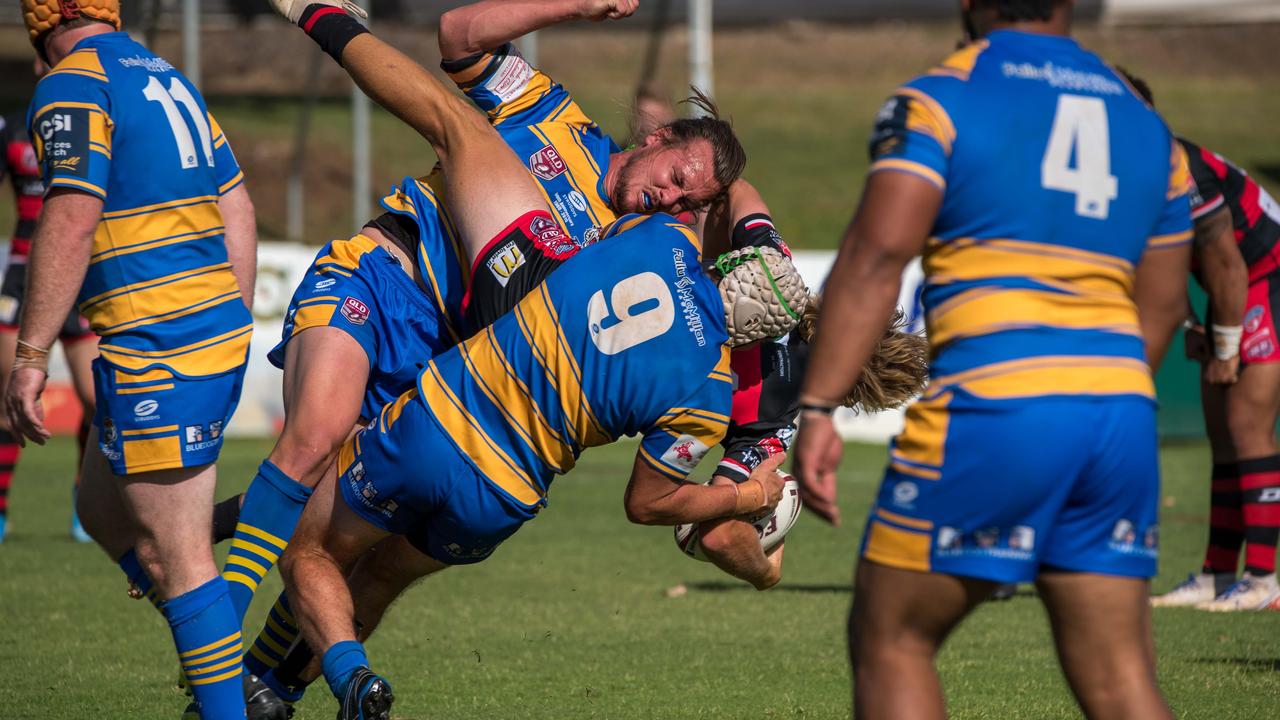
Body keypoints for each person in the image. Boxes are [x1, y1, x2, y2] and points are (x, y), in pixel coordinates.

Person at [260, 2, 807, 716]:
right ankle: (231, 635)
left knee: (333, 534)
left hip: (444, 360)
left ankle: (261, 683)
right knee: (313, 444)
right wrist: (577, 6)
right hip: (387, 276)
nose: (670, 196)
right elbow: (459, 37)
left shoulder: (632, 245)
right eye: (676, 174)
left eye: (687, 199)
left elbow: (723, 200)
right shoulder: (557, 115)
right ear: (658, 135)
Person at [791, 1, 1192, 718]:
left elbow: (877, 255)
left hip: (999, 405)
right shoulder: (1147, 124)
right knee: (1121, 678)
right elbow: (1161, 304)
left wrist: (819, 405)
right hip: (1119, 416)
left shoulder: (940, 98)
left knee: (893, 641)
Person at [7, 2, 263, 717]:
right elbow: (236, 205)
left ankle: (234, 689)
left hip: (161, 344)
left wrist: (31, 355)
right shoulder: (166, 75)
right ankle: (218, 653)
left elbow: (71, 214)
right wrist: (231, 319)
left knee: (180, 561)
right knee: (99, 506)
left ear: (46, 21)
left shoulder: (72, 82)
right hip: (197, 329)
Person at [1127, 75, 1280, 612]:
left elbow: (1229, 264)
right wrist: (1194, 324)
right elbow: (1161, 264)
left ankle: (1263, 579)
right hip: (1228, 287)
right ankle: (1217, 573)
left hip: (1265, 275)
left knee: (1246, 425)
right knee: (1221, 432)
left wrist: (1228, 343)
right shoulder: (1126, 172)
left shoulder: (1177, 165)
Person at [0, 59, 98, 544]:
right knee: (7, 386)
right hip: (22, 273)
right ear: (37, 63)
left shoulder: (98, 121)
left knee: (99, 398)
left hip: (78, 274)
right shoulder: (13, 128)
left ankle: (86, 503)